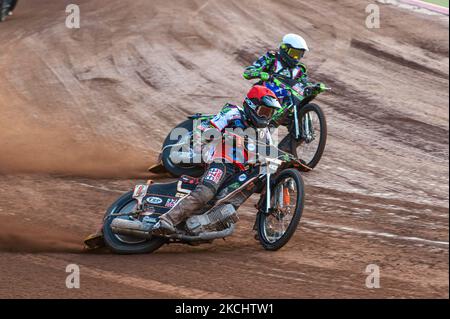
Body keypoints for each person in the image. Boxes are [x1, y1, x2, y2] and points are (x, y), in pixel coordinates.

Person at [154, 85, 282, 234]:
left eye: (270, 113)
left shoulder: (264, 132)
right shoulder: (233, 112)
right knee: (205, 193)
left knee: (269, 178)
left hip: (241, 171)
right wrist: (214, 135)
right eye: (264, 111)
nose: (266, 117)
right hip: (221, 161)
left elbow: (271, 152)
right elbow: (207, 127)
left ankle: (266, 227)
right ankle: (166, 220)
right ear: (252, 106)